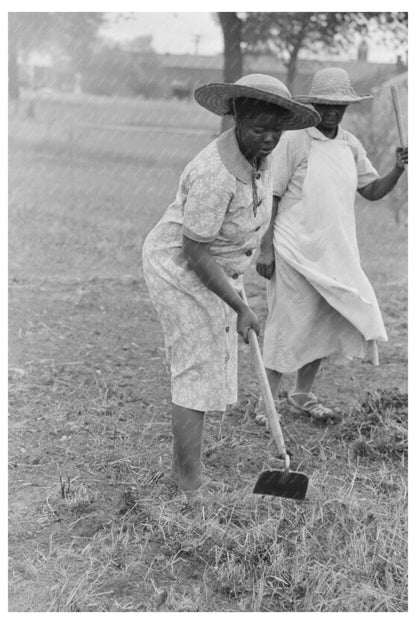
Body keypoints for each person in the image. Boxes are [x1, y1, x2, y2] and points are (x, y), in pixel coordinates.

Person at [142, 74, 319, 495]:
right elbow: (194, 250)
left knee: (206, 366)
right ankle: (190, 486)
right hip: (179, 269)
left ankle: (184, 474)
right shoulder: (213, 174)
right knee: (196, 369)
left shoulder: (262, 154)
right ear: (236, 120)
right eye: (260, 129)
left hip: (218, 268)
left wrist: (237, 289)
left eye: (277, 130)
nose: (270, 139)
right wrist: (240, 307)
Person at [255, 67, 408, 424]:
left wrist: (398, 170)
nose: (333, 112)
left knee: (322, 321)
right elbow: (272, 196)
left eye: (340, 105)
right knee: (287, 323)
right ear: (314, 104)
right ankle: (267, 404)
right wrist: (265, 249)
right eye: (326, 104)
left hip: (334, 251)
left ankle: (301, 394)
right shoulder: (295, 140)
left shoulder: (350, 144)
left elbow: (370, 191)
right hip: (293, 248)